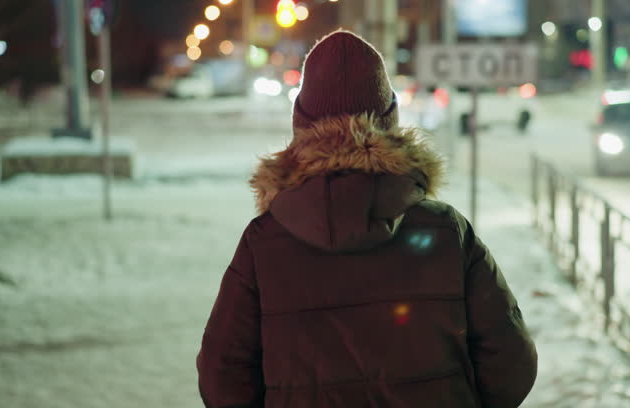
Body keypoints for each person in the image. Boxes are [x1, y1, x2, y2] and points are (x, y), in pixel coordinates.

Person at [196, 30, 537, 407]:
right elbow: (511, 362)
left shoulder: (264, 243)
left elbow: (222, 375)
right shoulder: (446, 231)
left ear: (301, 126)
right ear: (390, 121)